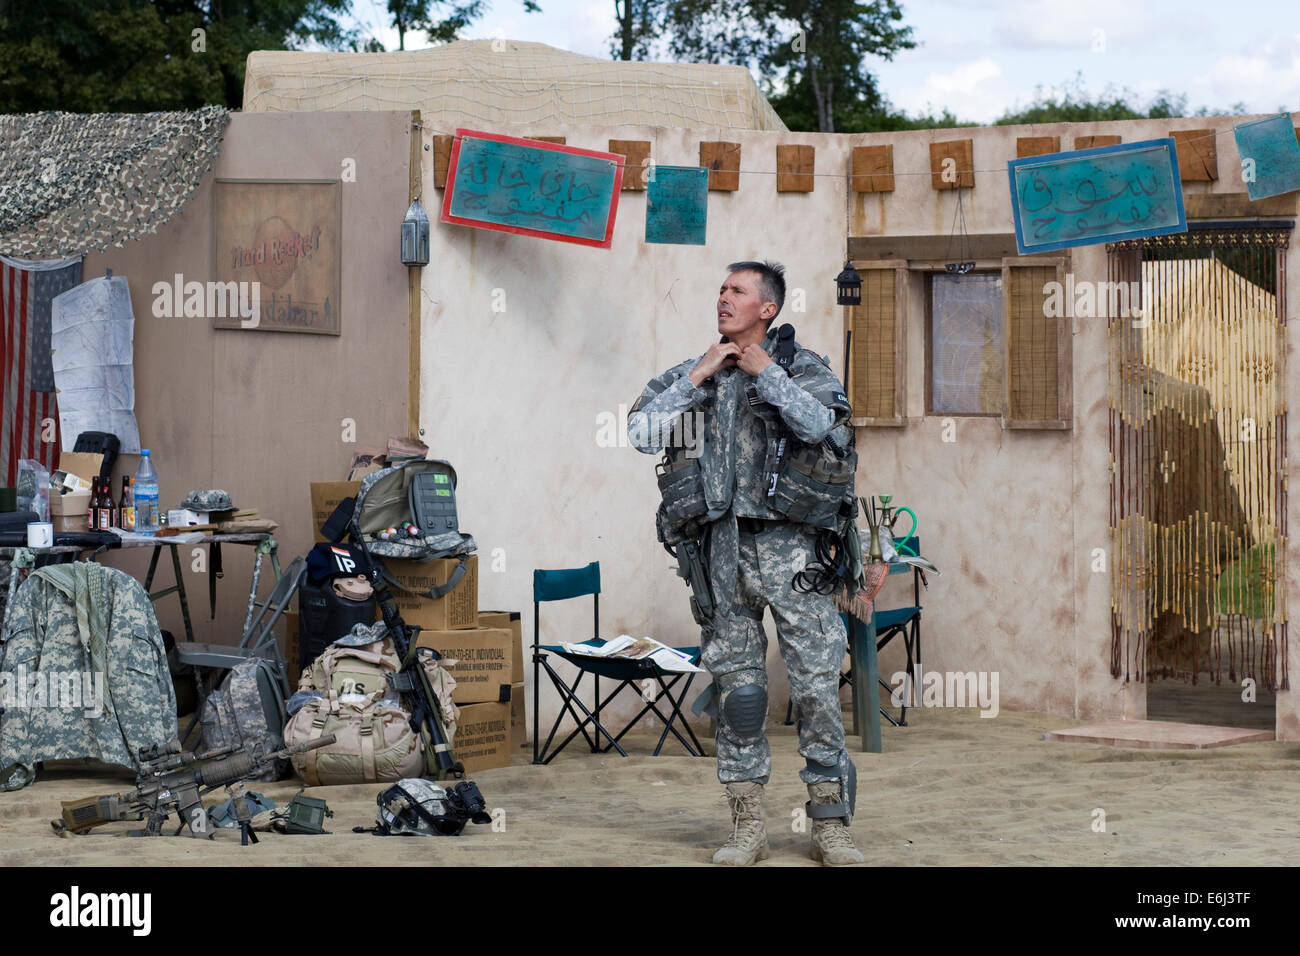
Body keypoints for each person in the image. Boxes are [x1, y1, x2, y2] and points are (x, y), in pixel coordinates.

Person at [627, 260, 862, 866]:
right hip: (719, 553)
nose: (723, 299)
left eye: (737, 291)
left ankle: (830, 826)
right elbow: (640, 431)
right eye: (721, 290)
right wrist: (697, 378)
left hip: (795, 553)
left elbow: (822, 425)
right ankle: (747, 827)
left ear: (768, 309)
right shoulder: (695, 372)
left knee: (814, 691)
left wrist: (770, 376)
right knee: (740, 695)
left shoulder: (805, 369)